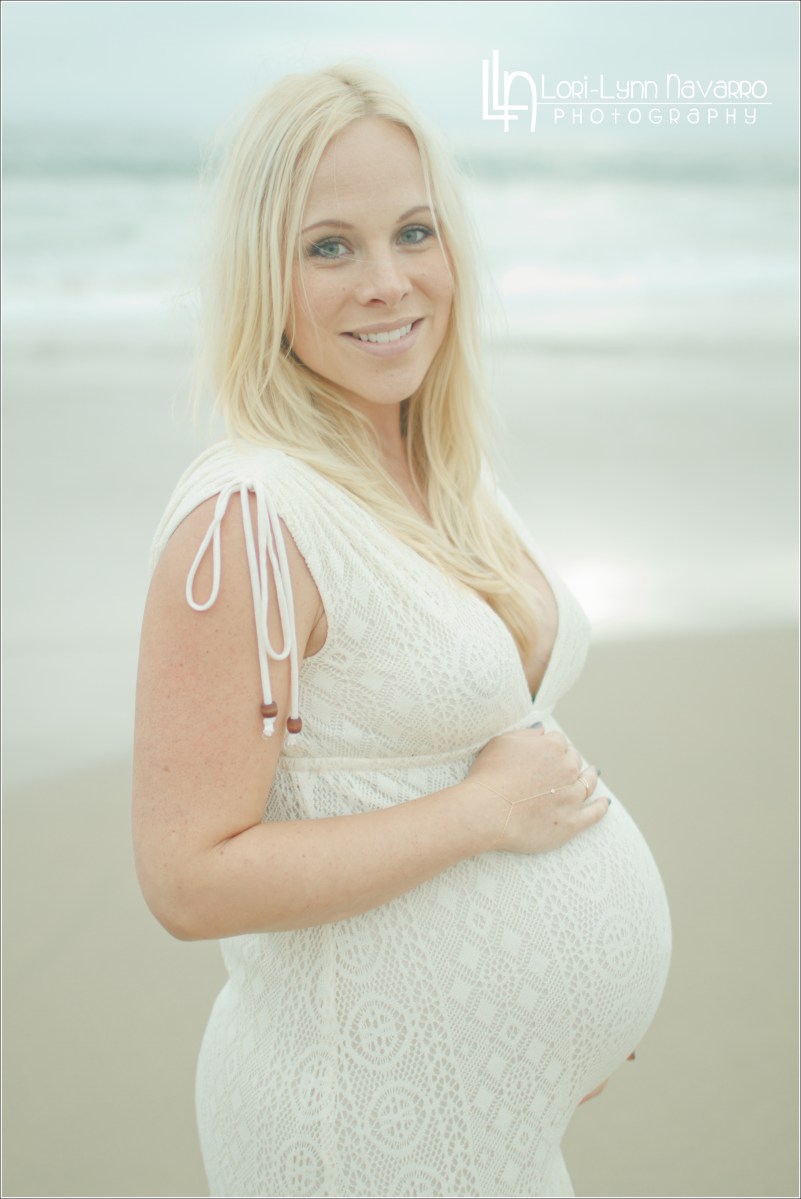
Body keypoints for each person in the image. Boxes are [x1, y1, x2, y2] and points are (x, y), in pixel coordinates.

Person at [132, 64, 671, 1199]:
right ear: (264, 277)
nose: (387, 283)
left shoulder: (441, 472)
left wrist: (559, 1016)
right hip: (358, 1132)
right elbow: (187, 878)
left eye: (413, 232)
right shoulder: (251, 519)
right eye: (330, 247)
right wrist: (479, 814)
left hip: (489, 1125)